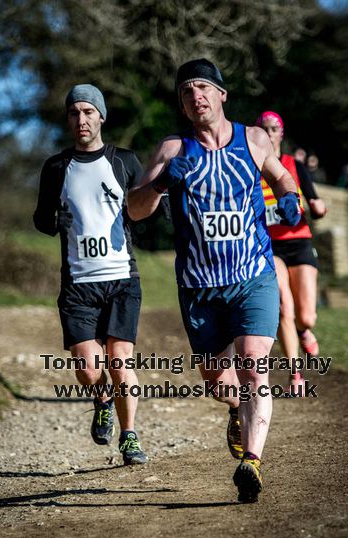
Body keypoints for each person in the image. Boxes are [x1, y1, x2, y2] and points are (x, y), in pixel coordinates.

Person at [127, 59, 301, 503]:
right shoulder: (172, 148)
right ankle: (234, 410)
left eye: (203, 87)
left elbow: (281, 176)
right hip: (199, 286)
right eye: (186, 91)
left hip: (252, 275)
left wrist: (288, 198)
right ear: (183, 105)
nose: (195, 96)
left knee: (253, 361)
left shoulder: (255, 138)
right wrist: (163, 182)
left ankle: (252, 462)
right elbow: (135, 210)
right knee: (220, 383)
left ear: (222, 94)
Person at [34, 84, 147, 466]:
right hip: (78, 283)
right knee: (88, 368)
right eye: (73, 113)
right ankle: (101, 400)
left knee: (120, 359)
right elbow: (40, 218)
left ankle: (129, 436)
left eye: (87, 112)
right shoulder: (56, 167)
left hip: (121, 279)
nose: (81, 119)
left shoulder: (125, 161)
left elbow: (147, 210)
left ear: (100, 116)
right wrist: (55, 221)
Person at [255, 111, 327, 393]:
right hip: (271, 246)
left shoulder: (294, 165)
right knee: (285, 307)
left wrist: (317, 208)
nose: (269, 133)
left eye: (274, 129)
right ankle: (295, 374)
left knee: (306, 315)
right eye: (264, 129)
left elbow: (314, 201)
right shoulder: (252, 167)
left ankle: (303, 329)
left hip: (298, 242)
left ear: (281, 133)